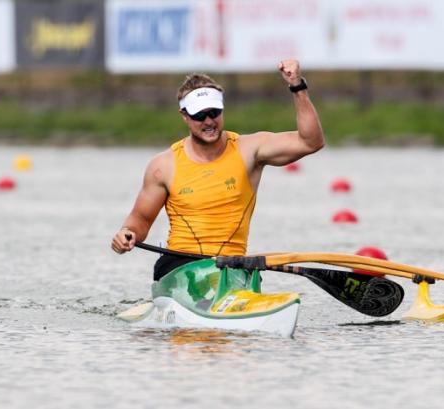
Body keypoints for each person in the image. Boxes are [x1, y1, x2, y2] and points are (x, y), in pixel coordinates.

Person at [111, 60, 324, 281]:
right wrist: (127, 234)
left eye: (214, 112)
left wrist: (297, 86)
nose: (209, 121)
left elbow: (311, 142)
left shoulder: (250, 149)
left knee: (234, 282)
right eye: (200, 115)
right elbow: (141, 220)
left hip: (231, 267)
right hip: (179, 268)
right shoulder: (163, 166)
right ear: (184, 115)